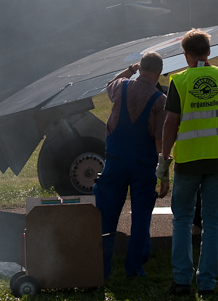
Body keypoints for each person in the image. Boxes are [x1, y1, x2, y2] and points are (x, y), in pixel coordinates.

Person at [157, 28, 218, 296]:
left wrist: (163, 161)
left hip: (188, 162)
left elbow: (170, 124)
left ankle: (182, 280)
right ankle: (207, 282)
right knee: (213, 222)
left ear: (185, 55)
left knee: (182, 220)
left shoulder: (180, 81)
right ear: (209, 52)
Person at [93, 51, 168, 280]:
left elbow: (109, 84)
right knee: (141, 219)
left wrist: (130, 69)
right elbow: (159, 139)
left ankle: (101, 270)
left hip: (114, 162)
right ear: (159, 72)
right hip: (143, 165)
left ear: (140, 67)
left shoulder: (122, 87)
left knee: (106, 220)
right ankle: (134, 269)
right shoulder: (160, 100)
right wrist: (164, 174)